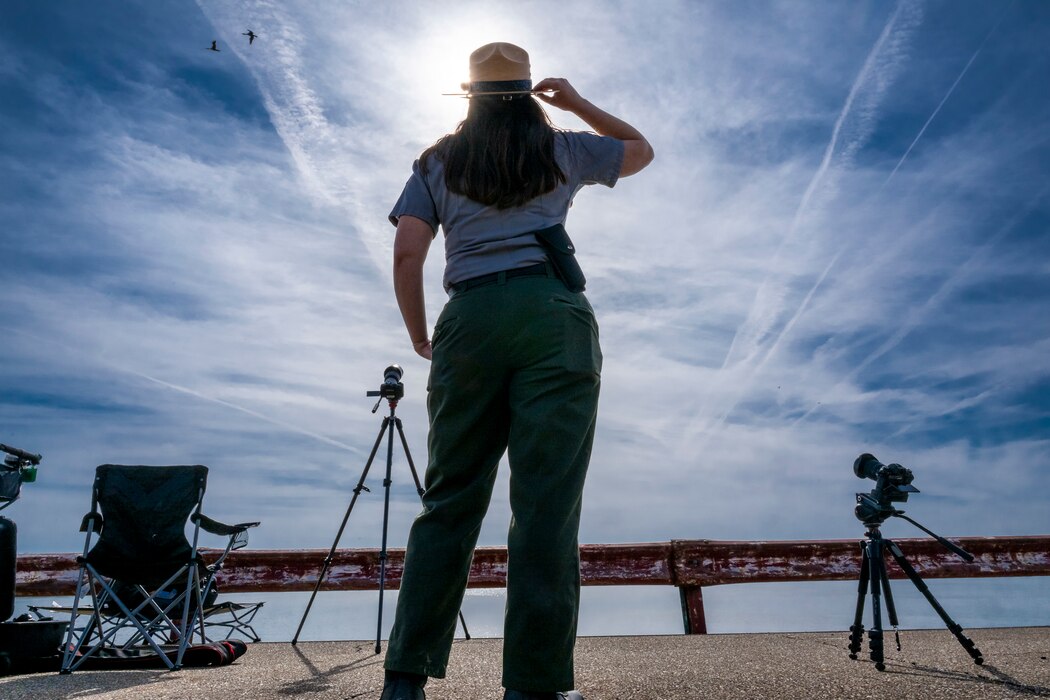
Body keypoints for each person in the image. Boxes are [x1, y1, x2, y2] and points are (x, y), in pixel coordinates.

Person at [382, 42, 654, 700]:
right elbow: (640, 149)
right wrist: (578, 102)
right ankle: (534, 687)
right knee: (546, 508)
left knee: (448, 501)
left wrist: (422, 336)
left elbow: (406, 254)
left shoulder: (437, 160)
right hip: (553, 317)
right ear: (530, 94)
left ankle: (405, 679)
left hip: (468, 321)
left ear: (469, 97)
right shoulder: (561, 149)